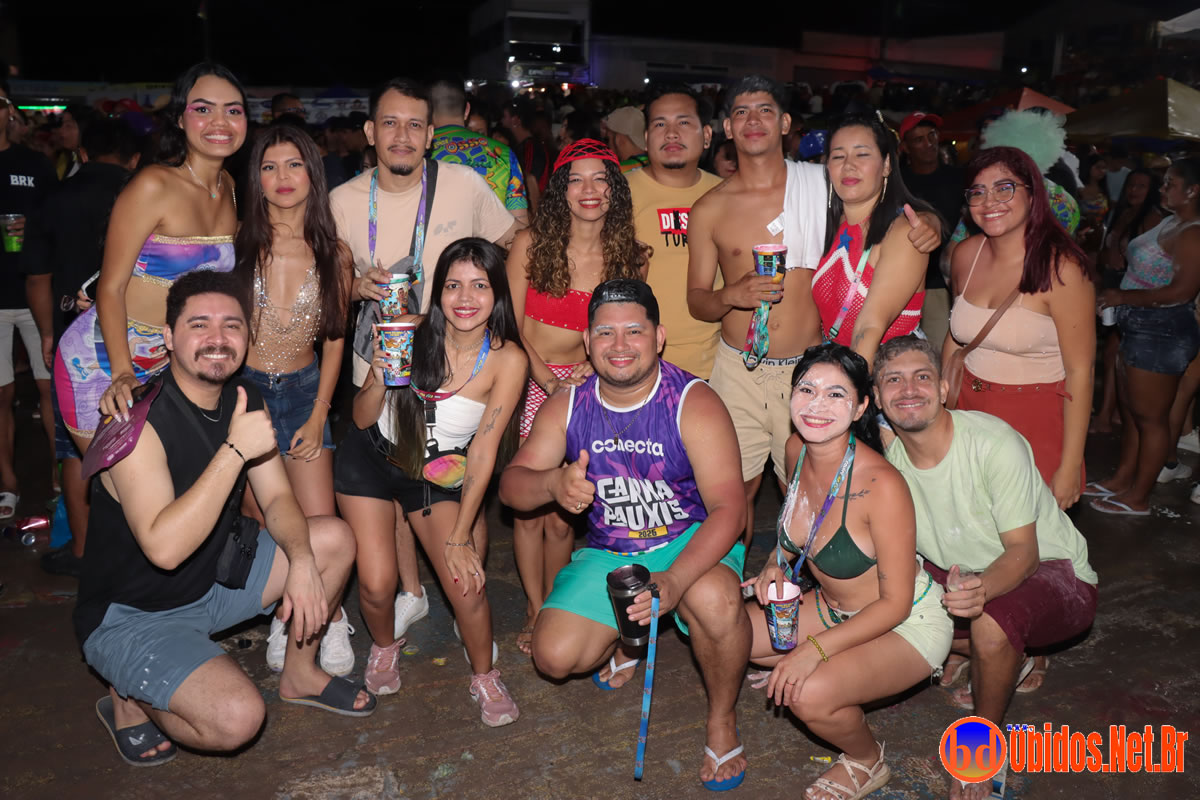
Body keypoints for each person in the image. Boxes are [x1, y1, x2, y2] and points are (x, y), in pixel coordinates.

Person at [74, 270, 373, 769]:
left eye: (232, 325)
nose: (217, 338)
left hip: (213, 581)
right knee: (237, 719)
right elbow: (164, 549)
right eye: (199, 325)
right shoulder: (135, 422)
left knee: (333, 539)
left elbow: (277, 497)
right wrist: (235, 450)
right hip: (134, 615)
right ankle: (127, 695)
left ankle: (300, 674)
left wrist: (302, 560)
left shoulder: (244, 398)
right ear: (169, 338)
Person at [500, 279, 751, 791]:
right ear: (587, 342)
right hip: (612, 550)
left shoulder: (692, 401)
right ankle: (630, 641)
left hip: (688, 540)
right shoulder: (569, 404)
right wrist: (552, 484)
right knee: (555, 657)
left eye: (634, 331)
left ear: (658, 337)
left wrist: (676, 579)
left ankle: (722, 718)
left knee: (715, 601)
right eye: (605, 333)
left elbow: (731, 510)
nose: (619, 345)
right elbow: (511, 486)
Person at [688, 75, 940, 547]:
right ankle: (730, 583)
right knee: (732, 496)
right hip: (738, 368)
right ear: (727, 127)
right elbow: (697, 299)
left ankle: (811, 578)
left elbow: (886, 204)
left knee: (815, 492)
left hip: (811, 369)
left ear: (786, 123)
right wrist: (732, 295)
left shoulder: (820, 186)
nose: (753, 121)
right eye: (741, 112)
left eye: (765, 110)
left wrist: (929, 221)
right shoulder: (709, 208)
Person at [331, 76, 518, 641]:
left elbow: (512, 243)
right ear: (370, 131)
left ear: (431, 134)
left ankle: (466, 598)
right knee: (392, 488)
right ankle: (411, 593)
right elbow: (328, 290)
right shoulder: (342, 201)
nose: (402, 135)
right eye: (390, 123)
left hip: (458, 371)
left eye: (415, 124)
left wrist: (502, 324)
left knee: (459, 489)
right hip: (378, 370)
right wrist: (354, 287)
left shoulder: (463, 184)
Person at [873, 335, 1097, 800]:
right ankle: (1002, 655)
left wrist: (980, 589)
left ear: (943, 389)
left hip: (1054, 572)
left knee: (992, 624)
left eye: (921, 377)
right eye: (893, 380)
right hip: (961, 571)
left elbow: (1024, 553)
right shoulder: (891, 467)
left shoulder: (993, 441)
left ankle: (982, 747)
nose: (908, 389)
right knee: (880, 595)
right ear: (876, 398)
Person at [745, 343, 952, 800]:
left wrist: (813, 651)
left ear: (860, 407)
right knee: (736, 635)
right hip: (832, 608)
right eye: (807, 390)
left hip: (906, 622)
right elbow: (798, 525)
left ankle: (866, 759)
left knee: (806, 693)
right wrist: (774, 565)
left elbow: (895, 604)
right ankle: (832, 671)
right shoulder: (796, 449)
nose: (816, 405)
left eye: (836, 394)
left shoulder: (882, 485)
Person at [335, 237, 526, 725]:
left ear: (498, 293)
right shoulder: (409, 330)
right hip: (370, 459)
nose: (465, 298)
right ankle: (384, 646)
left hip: (433, 474)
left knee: (467, 587)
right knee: (377, 586)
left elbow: (483, 451)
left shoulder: (507, 359)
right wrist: (378, 377)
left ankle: (484, 676)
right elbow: (360, 419)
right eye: (453, 285)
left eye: (479, 285)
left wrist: (460, 536)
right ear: (438, 292)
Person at [53, 62, 247, 455]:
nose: (220, 121)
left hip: (173, 363)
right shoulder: (153, 185)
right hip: (102, 361)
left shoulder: (229, 187)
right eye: (203, 108)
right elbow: (112, 286)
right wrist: (123, 372)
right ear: (180, 119)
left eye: (233, 110)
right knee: (116, 479)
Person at [506, 138, 650, 654]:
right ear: (560, 191)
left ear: (615, 191)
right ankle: (532, 605)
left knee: (566, 510)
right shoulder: (529, 244)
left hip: (589, 388)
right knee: (531, 508)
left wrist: (592, 371)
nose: (588, 190)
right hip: (529, 379)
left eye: (600, 179)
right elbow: (509, 326)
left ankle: (554, 605)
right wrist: (547, 381)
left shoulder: (630, 256)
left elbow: (624, 333)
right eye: (575, 180)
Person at [230, 123, 356, 673]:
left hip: (307, 393)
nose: (282, 177)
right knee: (262, 517)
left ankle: (329, 617)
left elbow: (335, 340)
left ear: (312, 174)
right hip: (247, 392)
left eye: (294, 165)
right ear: (256, 178)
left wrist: (321, 411)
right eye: (269, 166)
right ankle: (287, 615)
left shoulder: (335, 254)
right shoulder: (237, 244)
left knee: (321, 521)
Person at [23, 117, 141, 575]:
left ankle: (82, 551)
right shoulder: (142, 196)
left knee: (73, 449)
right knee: (139, 440)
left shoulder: (54, 197)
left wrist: (47, 332)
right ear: (134, 159)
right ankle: (139, 550)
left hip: (75, 344)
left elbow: (38, 277)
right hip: (139, 339)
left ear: (84, 154)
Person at [946, 146, 1094, 509]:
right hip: (968, 413)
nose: (989, 201)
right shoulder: (965, 255)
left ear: (1032, 193)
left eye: (1004, 188)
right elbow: (957, 335)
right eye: (978, 191)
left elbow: (1080, 370)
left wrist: (1070, 463)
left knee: (1026, 533)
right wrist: (942, 398)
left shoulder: (1063, 270)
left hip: (1034, 420)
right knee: (971, 523)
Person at [1091, 158, 1200, 515]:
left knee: (1151, 419)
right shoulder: (1171, 221)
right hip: (1139, 327)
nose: (1162, 188)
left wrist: (1122, 297)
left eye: (1170, 183)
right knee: (1133, 412)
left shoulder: (1193, 233)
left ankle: (1139, 497)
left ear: (1193, 190)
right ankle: (1123, 479)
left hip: (1163, 332)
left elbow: (1182, 291)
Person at [812, 113, 935, 366]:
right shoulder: (825, 225)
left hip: (884, 377)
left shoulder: (903, 233)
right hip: (835, 366)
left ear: (887, 165)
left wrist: (849, 386)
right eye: (838, 156)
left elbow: (870, 326)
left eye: (862, 154)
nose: (849, 165)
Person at [628, 83, 723, 378]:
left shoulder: (728, 195)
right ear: (646, 139)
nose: (671, 133)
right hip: (637, 363)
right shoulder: (617, 195)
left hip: (716, 365)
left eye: (683, 123)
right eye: (660, 124)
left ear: (706, 135)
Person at [0, 77, 57, 522]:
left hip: (38, 296)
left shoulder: (34, 164)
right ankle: (7, 485)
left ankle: (61, 478)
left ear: (9, 112)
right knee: (0, 396)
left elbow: (57, 222)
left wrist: (33, 230)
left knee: (48, 390)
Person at [1092, 169, 1164, 433]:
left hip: (1132, 290)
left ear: (1152, 190)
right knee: (1114, 353)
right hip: (1114, 286)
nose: (1134, 190)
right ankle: (1115, 414)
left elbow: (1154, 260)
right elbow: (1106, 251)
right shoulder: (1122, 213)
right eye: (1131, 185)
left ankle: (1107, 415)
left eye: (1141, 186)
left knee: (1114, 351)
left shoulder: (1153, 218)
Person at [899, 111, 963, 349]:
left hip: (946, 283)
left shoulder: (959, 178)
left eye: (932, 136)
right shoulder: (898, 183)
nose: (929, 144)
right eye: (919, 139)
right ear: (906, 147)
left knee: (941, 350)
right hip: (904, 283)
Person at [429, 79, 529, 229]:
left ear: (426, 110)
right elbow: (521, 225)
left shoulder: (418, 152)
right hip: (494, 243)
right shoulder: (503, 153)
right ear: (467, 110)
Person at [501, 99, 550, 210]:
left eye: (504, 117)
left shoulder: (531, 148)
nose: (501, 121)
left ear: (515, 120)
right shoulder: (523, 145)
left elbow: (529, 183)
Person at [604, 106, 649, 172]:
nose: (607, 147)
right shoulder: (658, 164)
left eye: (608, 139)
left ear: (619, 140)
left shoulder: (614, 172)